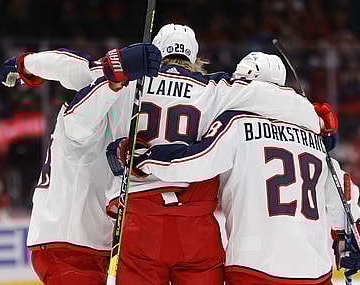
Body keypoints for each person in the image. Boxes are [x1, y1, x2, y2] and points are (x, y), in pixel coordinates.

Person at [67, 23, 325, 285]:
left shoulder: (128, 84)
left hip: (139, 220)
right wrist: (316, 121)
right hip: (196, 224)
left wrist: (112, 69)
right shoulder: (214, 89)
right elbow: (269, 94)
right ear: (194, 56)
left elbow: (76, 124)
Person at [111, 99, 360, 284]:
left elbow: (195, 163)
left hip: (254, 265)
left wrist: (145, 158)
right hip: (314, 269)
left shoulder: (237, 126)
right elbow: (343, 191)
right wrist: (351, 238)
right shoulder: (315, 139)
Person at [0, 43, 162, 284]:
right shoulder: (84, 116)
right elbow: (85, 106)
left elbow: (74, 66)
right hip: (69, 244)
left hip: (93, 243)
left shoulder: (120, 98)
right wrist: (115, 79)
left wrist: (27, 65)